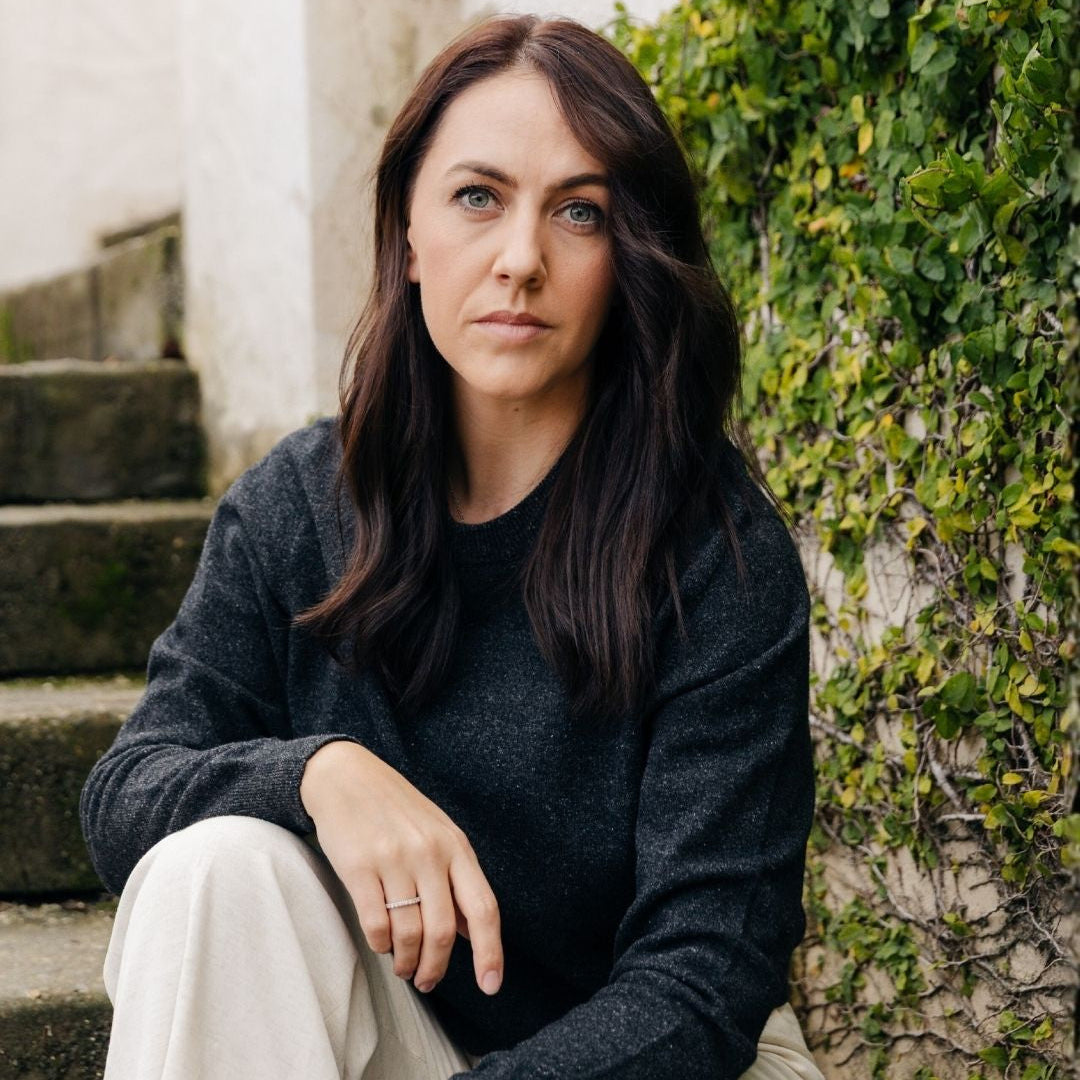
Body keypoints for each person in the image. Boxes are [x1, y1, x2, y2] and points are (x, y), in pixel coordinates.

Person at [80, 13, 825, 1080]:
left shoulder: (714, 552)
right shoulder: (300, 506)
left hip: (668, 1055)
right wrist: (319, 777)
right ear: (409, 236)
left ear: (630, 260)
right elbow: (124, 797)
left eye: (580, 213)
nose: (520, 260)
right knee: (214, 872)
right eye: (478, 197)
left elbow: (703, 975)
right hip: (397, 1040)